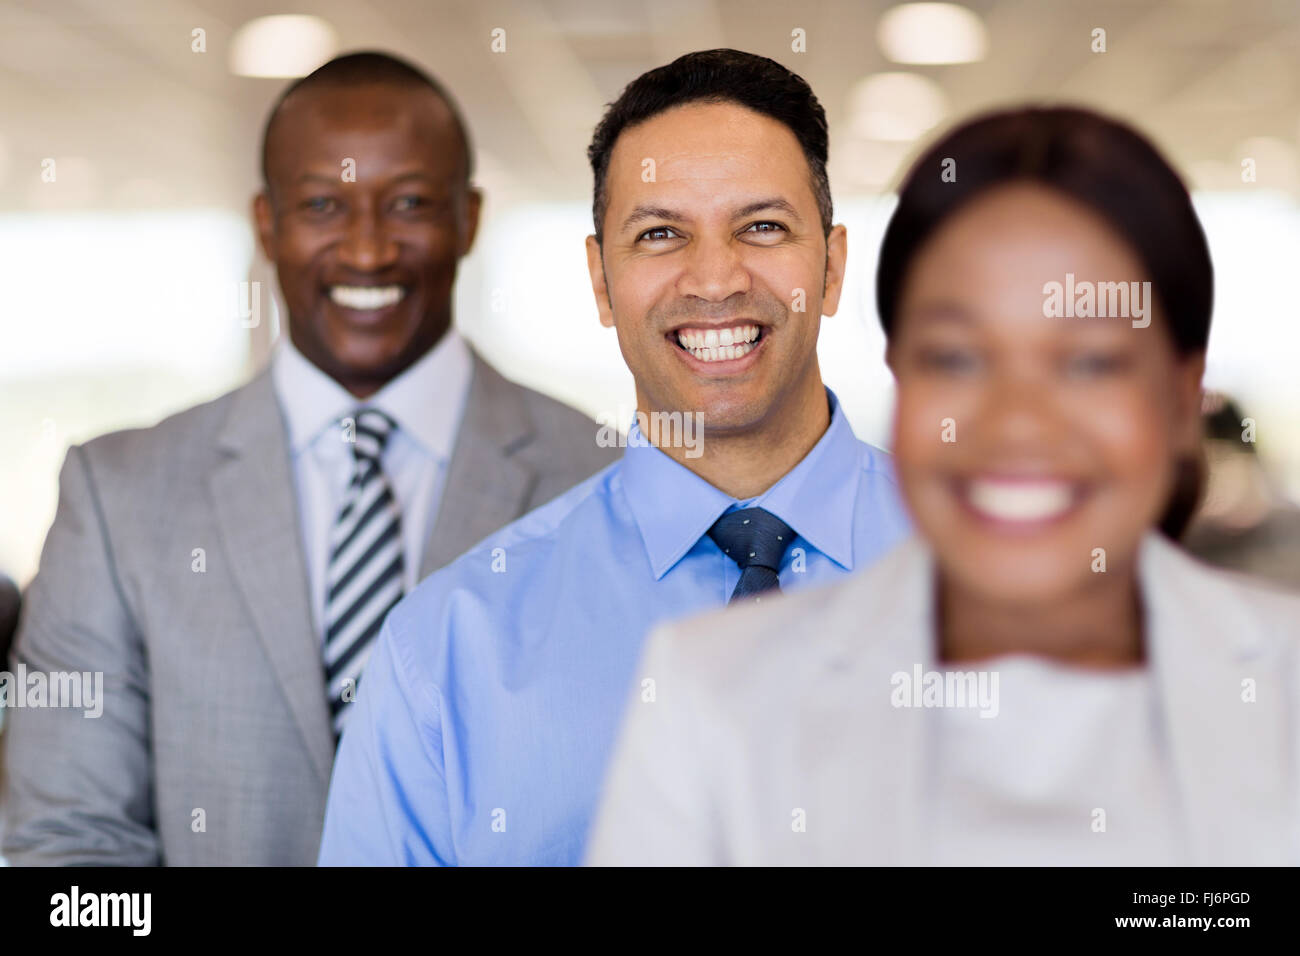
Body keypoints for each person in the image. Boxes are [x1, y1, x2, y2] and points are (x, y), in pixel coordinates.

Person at [587, 106, 1300, 866]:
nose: (1017, 424)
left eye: (1090, 362)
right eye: (956, 359)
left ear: (1184, 390)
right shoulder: (711, 695)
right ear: (898, 373)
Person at [2, 52, 614, 866]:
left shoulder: (601, 480)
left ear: (468, 219)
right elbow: (68, 850)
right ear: (266, 223)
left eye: (409, 204)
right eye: (324, 204)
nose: (367, 252)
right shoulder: (116, 498)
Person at [317, 49, 911, 866]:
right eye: (661, 234)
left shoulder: (1017, 585)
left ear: (833, 266)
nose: (713, 279)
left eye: (762, 227)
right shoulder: (448, 649)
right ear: (601, 281)